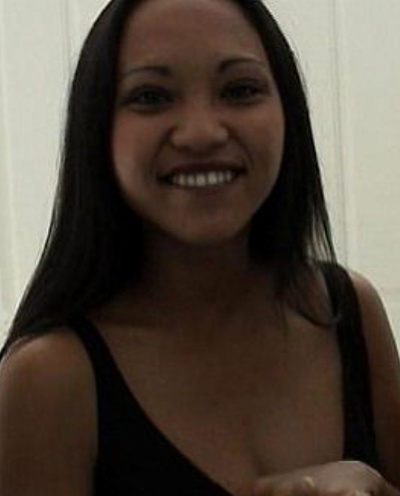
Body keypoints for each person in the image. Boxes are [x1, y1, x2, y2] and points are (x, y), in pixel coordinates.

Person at [0, 0, 399, 494]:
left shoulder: (347, 311)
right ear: (97, 128)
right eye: (151, 97)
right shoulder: (48, 379)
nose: (202, 133)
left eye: (240, 90)